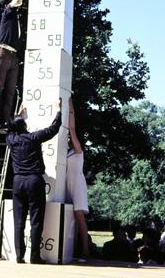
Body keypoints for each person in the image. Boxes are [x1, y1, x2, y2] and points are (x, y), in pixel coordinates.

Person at [6, 99, 62, 264]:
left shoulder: (11, 140)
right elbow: (53, 129)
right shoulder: (33, 138)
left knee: (19, 221)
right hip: (34, 181)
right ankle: (34, 256)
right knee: (36, 220)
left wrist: (18, 113)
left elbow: (10, 128)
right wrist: (59, 110)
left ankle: (18, 255)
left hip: (17, 182)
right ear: (24, 126)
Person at [0, 0, 36, 128]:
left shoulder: (15, 20)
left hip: (13, 56)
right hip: (2, 53)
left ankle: (6, 120)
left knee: (10, 91)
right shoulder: (8, 12)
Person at [66, 97, 89, 261]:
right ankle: (71, 249)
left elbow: (72, 129)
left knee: (79, 216)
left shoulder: (78, 151)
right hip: (68, 183)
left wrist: (69, 103)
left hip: (78, 184)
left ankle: (86, 250)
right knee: (70, 217)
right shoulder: (67, 153)